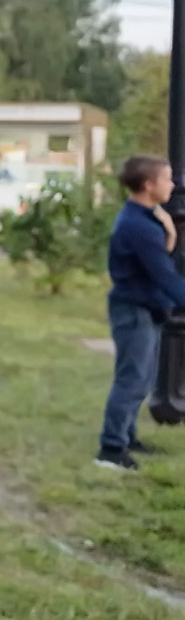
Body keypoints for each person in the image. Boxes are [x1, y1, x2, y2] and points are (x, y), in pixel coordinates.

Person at [98, 155, 185, 472]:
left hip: (143, 307)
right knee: (132, 380)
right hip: (134, 310)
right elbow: (164, 276)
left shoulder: (145, 218)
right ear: (149, 185)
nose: (173, 185)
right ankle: (110, 450)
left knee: (143, 378)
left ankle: (127, 437)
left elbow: (155, 267)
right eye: (167, 179)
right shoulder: (139, 227)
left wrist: (170, 236)